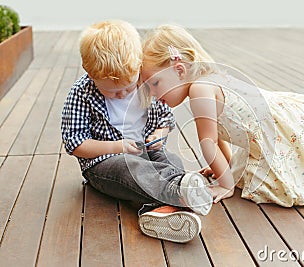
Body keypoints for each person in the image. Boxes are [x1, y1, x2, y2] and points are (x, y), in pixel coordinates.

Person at [140, 24, 304, 207]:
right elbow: (219, 138)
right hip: (280, 118)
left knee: (277, 186)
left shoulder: (199, 90)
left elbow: (208, 142)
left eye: (155, 83)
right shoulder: (209, 78)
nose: (152, 93)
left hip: (278, 131)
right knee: (247, 175)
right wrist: (223, 170)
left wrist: (225, 184)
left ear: (179, 69)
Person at [61, 20, 212, 243]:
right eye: (112, 92)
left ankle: (161, 212)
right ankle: (180, 191)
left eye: (128, 87)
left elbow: (165, 119)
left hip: (146, 152)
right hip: (105, 163)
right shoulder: (81, 94)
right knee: (129, 169)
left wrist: (158, 135)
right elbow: (75, 143)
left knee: (168, 158)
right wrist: (116, 147)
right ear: (90, 74)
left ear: (137, 67)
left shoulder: (146, 84)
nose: (122, 95)